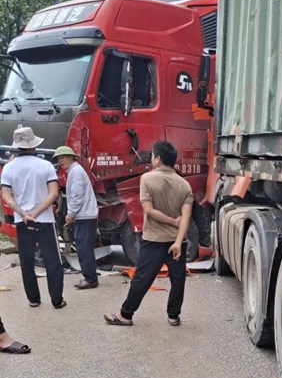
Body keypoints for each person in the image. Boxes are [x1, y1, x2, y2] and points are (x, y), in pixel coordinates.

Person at [104, 140, 192, 326]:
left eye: (152, 156)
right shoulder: (184, 184)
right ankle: (173, 315)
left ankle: (126, 315)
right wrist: (178, 241)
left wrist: (171, 221)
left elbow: (149, 211)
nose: (151, 159)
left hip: (154, 239)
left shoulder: (147, 179)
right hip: (177, 242)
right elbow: (186, 216)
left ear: (158, 159)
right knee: (178, 279)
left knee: (142, 278)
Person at [0, 125, 66, 309]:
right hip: (44, 221)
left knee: (27, 262)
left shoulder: (8, 168)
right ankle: (57, 300)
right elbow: (53, 194)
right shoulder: (45, 166)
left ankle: (34, 299)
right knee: (53, 261)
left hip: (22, 222)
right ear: (34, 145)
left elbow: (6, 196)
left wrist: (24, 214)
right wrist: (36, 213)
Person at [53, 146, 99, 289]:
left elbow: (76, 195)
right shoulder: (75, 171)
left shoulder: (75, 171)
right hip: (86, 214)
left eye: (63, 158)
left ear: (71, 157)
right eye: (58, 159)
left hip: (84, 215)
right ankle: (90, 277)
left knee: (83, 247)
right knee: (85, 247)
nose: (60, 161)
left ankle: (90, 279)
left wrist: (70, 213)